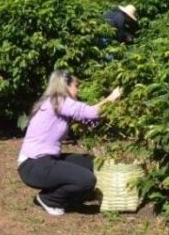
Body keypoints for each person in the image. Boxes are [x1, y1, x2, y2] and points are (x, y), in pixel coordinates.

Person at [17, 70, 122, 216]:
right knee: (87, 179)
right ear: (65, 86)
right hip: (33, 166)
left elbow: (89, 119)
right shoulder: (58, 100)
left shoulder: (55, 102)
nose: (77, 90)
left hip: (45, 160)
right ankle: (49, 199)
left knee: (92, 163)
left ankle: (64, 195)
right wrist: (113, 97)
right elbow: (91, 112)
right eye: (75, 86)